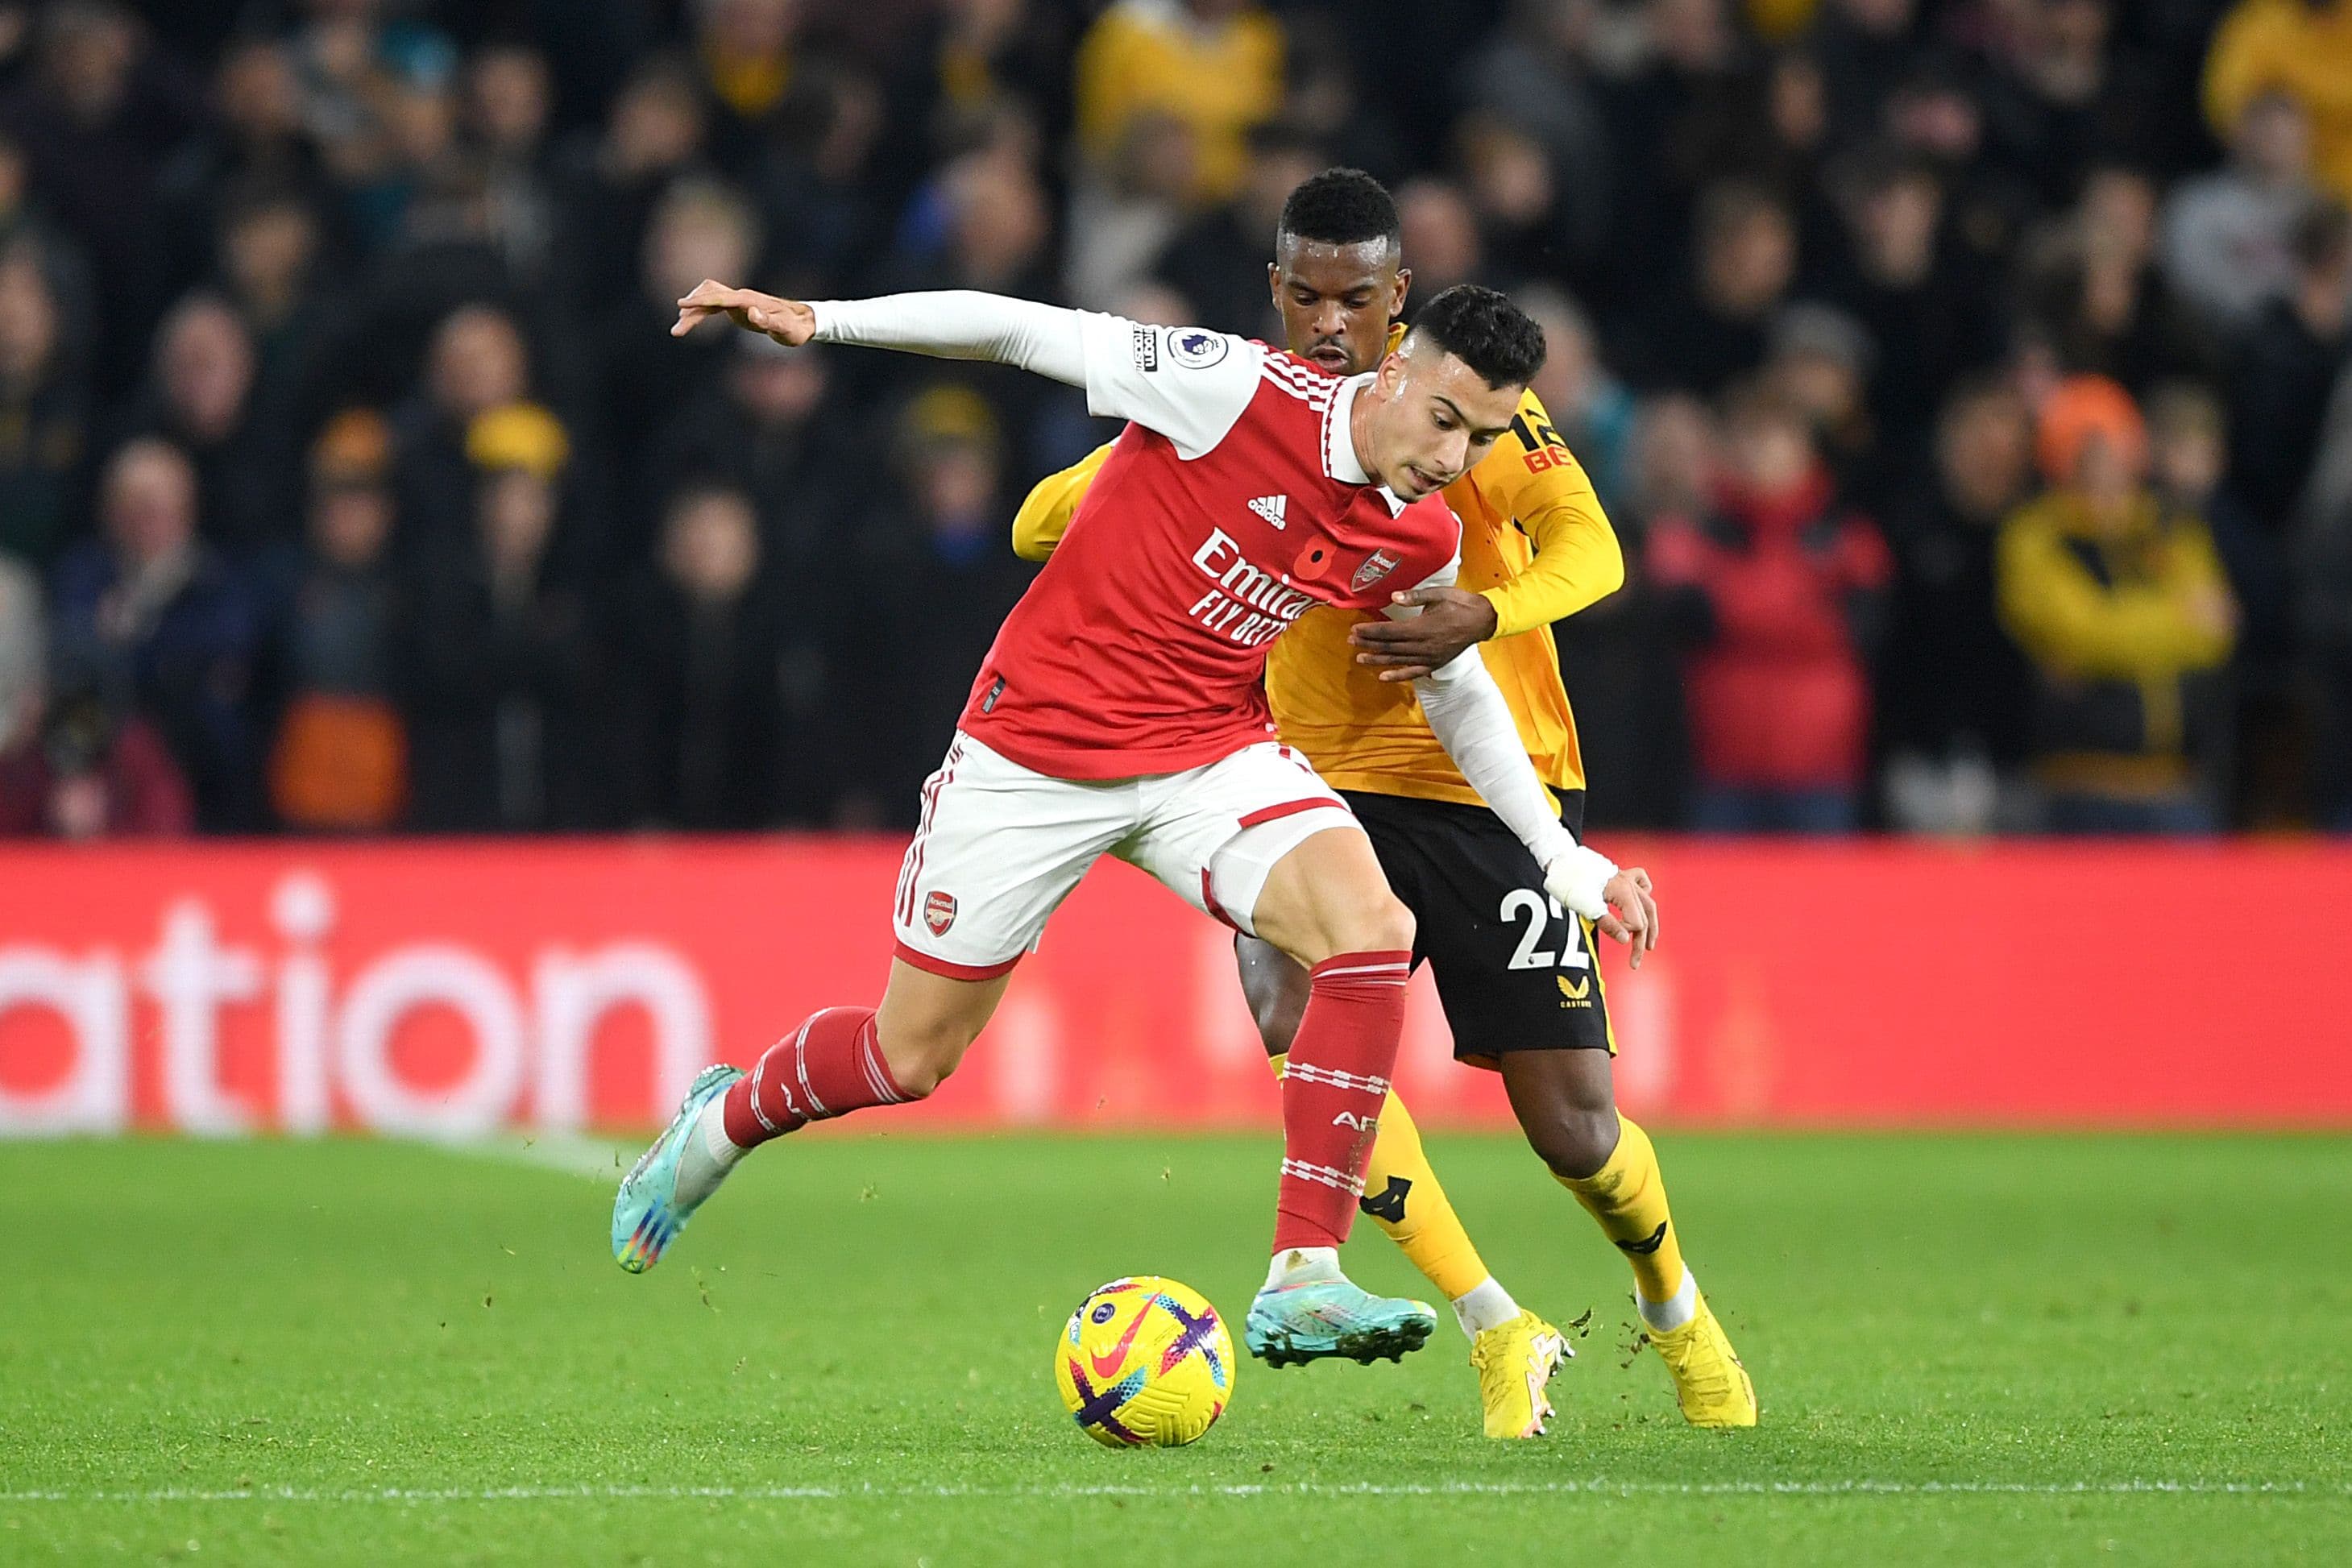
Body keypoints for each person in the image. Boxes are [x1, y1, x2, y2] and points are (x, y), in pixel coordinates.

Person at [616, 267, 1661, 1389]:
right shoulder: (1233, 392)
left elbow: (1455, 690)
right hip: (1034, 757)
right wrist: (816, 319)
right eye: (1443, 418)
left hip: (1205, 751)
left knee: (1366, 929)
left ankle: (1302, 1269)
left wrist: (1563, 859)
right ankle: (719, 1121)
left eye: (1482, 436)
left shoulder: (1415, 537)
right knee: (905, 1055)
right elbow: (1019, 330)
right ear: (1393, 370)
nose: (1452, 456)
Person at [1010, 170, 1753, 1433]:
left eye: (1353, 297)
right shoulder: (1233, 405)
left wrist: (1485, 607)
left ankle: (1676, 1309)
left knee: (1573, 1128)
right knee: (1290, 1009)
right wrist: (1145, 498)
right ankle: (1494, 1322)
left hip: (1484, 780)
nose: (1325, 321)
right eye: (1302, 295)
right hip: (1297, 771)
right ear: (1273, 293)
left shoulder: (1474, 417)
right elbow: (1040, 522)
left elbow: (1595, 550)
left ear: (1396, 301)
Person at [1997, 375, 2237, 833]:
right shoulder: (2037, 536)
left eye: (2117, 450)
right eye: (2088, 454)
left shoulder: (2169, 528)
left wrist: (2116, 634)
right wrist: (2173, 624)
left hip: (2177, 784)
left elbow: (2216, 632)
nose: (2107, 469)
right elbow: (2079, 632)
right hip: (2080, 786)